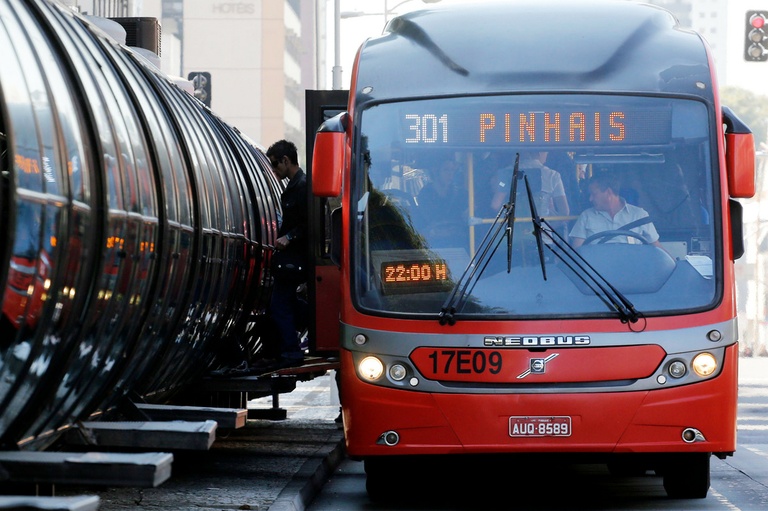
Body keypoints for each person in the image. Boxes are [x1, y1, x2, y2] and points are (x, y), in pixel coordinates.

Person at [265, 140, 308, 369]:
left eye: (275, 165)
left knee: (279, 306)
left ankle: (291, 351)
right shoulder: (297, 185)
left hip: (294, 260)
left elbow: (308, 222)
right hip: (293, 260)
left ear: (286, 160)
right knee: (289, 303)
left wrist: (288, 238)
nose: (274, 170)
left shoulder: (301, 187)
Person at [569, 172, 663, 249]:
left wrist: (675, 267)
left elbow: (657, 248)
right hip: (596, 270)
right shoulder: (586, 216)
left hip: (633, 269)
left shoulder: (640, 215)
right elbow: (577, 253)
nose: (590, 199)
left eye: (594, 194)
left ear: (609, 192)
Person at [415, 158, 468, 247]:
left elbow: (464, 218)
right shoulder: (426, 194)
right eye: (446, 170)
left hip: (458, 242)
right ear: (436, 171)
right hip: (432, 244)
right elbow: (428, 219)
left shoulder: (460, 193)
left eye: (452, 170)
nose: (450, 174)